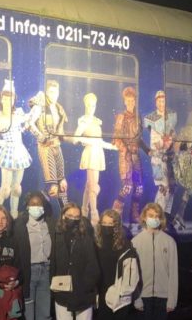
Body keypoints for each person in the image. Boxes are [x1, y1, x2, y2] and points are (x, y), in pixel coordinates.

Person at [50, 203, 99, 320]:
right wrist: (54, 287)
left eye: (76, 216)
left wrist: (85, 287)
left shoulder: (86, 236)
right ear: (63, 216)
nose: (73, 219)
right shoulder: (57, 235)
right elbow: (53, 263)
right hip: (62, 294)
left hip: (83, 294)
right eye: (69, 215)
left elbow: (93, 266)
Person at [12, 191, 54, 320]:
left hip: (46, 274)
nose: (37, 207)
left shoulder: (50, 224)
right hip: (28, 276)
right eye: (33, 204)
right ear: (27, 206)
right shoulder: (20, 226)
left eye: (40, 204)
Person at [94, 208, 140, 320]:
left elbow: (131, 273)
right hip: (101, 295)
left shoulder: (124, 244)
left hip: (120, 295)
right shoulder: (96, 243)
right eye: (104, 223)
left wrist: (121, 291)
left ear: (117, 225)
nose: (107, 227)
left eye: (111, 224)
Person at [133, 203, 178, 320]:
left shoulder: (169, 242)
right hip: (143, 295)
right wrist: (136, 297)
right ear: (144, 217)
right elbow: (133, 274)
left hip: (162, 294)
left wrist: (172, 299)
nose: (154, 219)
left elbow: (173, 272)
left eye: (157, 216)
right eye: (151, 215)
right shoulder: (136, 242)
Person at [0, 79, 32, 218]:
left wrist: (37, 106)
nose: (8, 101)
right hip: (8, 152)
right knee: (5, 189)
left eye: (11, 98)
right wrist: (0, 143)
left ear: (14, 100)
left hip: (19, 152)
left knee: (16, 188)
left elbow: (30, 119)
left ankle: (14, 215)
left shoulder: (18, 114)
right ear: (1, 99)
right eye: (6, 98)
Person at [72, 93, 117, 226]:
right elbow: (75, 139)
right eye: (89, 105)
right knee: (93, 187)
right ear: (85, 105)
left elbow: (100, 142)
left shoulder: (97, 121)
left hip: (98, 153)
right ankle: (94, 216)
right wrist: (89, 141)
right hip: (90, 153)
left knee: (89, 185)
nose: (91, 108)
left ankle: (84, 211)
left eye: (93, 105)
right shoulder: (84, 120)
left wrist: (113, 147)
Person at [112, 86, 149, 232]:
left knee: (139, 188)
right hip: (125, 156)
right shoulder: (121, 117)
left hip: (136, 156)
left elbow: (139, 139)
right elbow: (116, 138)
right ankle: (116, 216)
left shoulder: (138, 117)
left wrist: (147, 150)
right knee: (127, 187)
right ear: (124, 101)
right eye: (128, 100)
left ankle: (134, 215)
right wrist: (125, 149)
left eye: (132, 100)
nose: (130, 103)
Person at [28, 80, 69, 210]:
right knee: (53, 187)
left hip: (57, 145)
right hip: (45, 147)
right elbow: (29, 124)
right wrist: (41, 137)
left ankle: (66, 215)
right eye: (51, 92)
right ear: (46, 92)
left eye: (56, 92)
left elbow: (61, 131)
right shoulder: (40, 106)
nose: (54, 95)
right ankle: (41, 210)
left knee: (62, 184)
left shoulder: (58, 108)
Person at [144, 90, 178, 216]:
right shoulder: (152, 119)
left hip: (169, 158)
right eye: (159, 101)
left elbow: (173, 136)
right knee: (163, 187)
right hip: (158, 159)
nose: (161, 103)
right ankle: (156, 216)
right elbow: (157, 143)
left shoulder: (171, 116)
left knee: (172, 187)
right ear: (155, 103)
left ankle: (165, 215)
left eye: (163, 101)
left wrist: (172, 141)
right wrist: (166, 142)